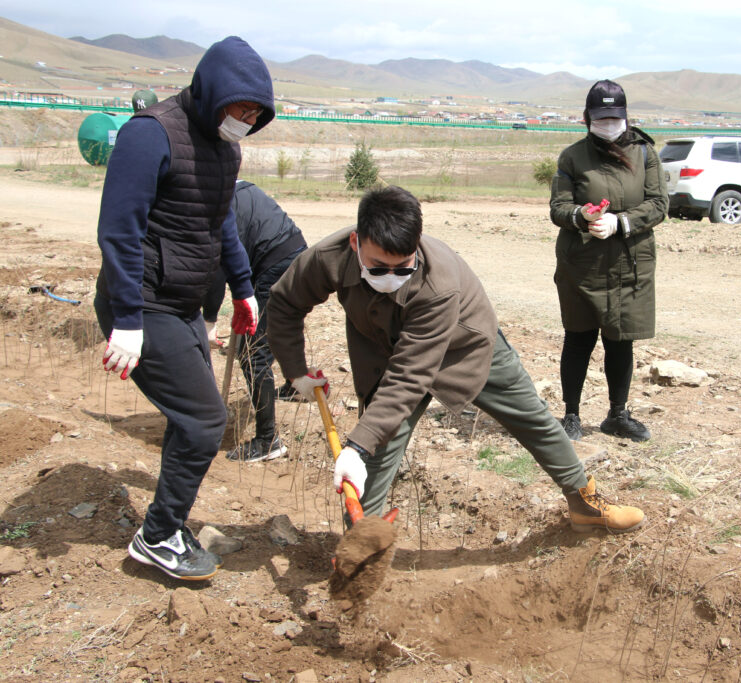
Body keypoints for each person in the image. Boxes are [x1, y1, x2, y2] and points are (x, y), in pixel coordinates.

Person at [266, 186, 645, 533]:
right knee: (376, 447)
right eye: (378, 268)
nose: (392, 277)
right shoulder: (328, 257)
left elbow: (412, 374)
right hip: (388, 351)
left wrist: (356, 446)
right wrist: (296, 371)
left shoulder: (438, 281)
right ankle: (363, 547)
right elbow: (284, 302)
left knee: (534, 419)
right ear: (354, 242)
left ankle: (585, 503)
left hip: (466, 345)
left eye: (404, 268)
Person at [94, 36, 275, 581]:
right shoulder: (149, 134)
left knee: (190, 418)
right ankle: (158, 535)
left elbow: (220, 221)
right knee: (204, 420)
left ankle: (165, 525)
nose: (243, 120)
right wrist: (126, 319)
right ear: (212, 91)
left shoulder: (225, 147)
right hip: (143, 304)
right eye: (238, 108)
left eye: (254, 114)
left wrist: (242, 289)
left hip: (183, 304)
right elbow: (118, 230)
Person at [549, 80, 668, 443]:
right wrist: (582, 216)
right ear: (587, 118)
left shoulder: (646, 153)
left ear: (625, 116)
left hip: (629, 263)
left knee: (621, 340)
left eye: (614, 117)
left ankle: (617, 415)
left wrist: (622, 222)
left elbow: (659, 204)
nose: (608, 123)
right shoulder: (572, 157)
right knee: (579, 338)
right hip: (582, 264)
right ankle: (571, 415)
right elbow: (558, 208)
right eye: (600, 118)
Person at [205, 180, 307, 462]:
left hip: (275, 264)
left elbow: (217, 269)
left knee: (253, 354)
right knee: (281, 327)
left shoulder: (216, 202)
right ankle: (295, 385)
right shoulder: (236, 188)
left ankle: (267, 441)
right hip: (293, 253)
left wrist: (208, 322)